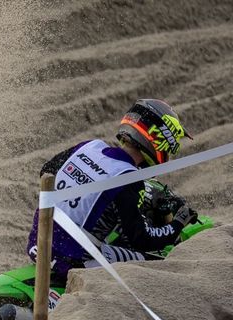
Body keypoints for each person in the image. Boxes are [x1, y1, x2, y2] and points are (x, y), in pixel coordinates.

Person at [27, 99, 198, 283]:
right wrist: (179, 221)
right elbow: (142, 239)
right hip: (72, 261)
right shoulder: (128, 178)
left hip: (38, 242)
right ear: (159, 140)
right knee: (154, 264)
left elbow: (47, 170)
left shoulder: (90, 146)